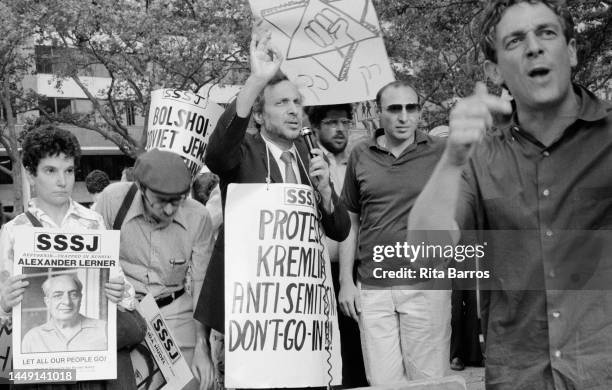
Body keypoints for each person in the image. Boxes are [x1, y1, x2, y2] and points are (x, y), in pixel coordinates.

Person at [408, 0, 612, 388]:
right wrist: (451, 160)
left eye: (546, 32)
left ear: (570, 51)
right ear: (494, 70)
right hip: (519, 376)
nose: (534, 46)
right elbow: (424, 258)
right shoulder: (478, 157)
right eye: (515, 40)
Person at [194, 31, 351, 384]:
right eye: (282, 103)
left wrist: (325, 191)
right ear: (260, 117)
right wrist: (257, 80)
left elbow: (339, 229)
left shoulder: (311, 158)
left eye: (297, 102)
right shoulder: (244, 153)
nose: (294, 110)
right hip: (252, 318)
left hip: (298, 316)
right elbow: (217, 152)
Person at [0, 125, 144, 390]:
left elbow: (127, 295)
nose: (62, 181)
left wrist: (119, 291)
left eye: (68, 171)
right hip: (45, 369)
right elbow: (5, 315)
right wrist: (5, 303)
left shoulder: (93, 222)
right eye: (50, 171)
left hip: (93, 368)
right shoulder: (13, 232)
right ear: (31, 174)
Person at [338, 81, 450, 385]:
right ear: (378, 112)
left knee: (429, 383)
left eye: (411, 108)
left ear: (419, 111)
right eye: (394, 109)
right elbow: (351, 219)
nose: (404, 117)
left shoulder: (441, 152)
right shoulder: (361, 154)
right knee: (384, 384)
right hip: (373, 289)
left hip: (425, 287)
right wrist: (346, 281)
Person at [95, 148, 216, 390]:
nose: (170, 211)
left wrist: (203, 346)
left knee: (196, 381)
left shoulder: (199, 217)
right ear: (141, 187)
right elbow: (93, 259)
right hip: (123, 313)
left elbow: (203, 284)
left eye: (177, 201)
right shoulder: (112, 200)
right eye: (161, 201)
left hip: (174, 310)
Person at [306, 103, 368, 388]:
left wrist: (348, 280)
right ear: (315, 127)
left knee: (357, 360)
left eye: (345, 121)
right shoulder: (306, 162)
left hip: (355, 274)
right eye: (331, 122)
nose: (340, 128)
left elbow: (352, 224)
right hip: (316, 277)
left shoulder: (361, 162)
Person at [22, 274, 107, 353]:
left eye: (73, 295)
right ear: (47, 302)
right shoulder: (32, 338)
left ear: (80, 299)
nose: (67, 302)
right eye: (58, 295)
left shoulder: (104, 330)